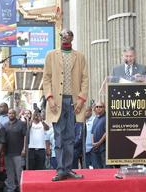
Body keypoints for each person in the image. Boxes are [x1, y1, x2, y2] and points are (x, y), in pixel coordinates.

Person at [43, 28, 88, 181]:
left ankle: (68, 168)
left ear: (72, 38)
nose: (64, 37)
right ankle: (61, 169)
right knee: (59, 136)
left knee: (70, 137)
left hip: (73, 101)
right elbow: (47, 78)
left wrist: (81, 99)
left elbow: (85, 79)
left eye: (67, 35)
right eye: (62, 35)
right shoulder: (51, 55)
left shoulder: (80, 56)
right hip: (57, 102)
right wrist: (50, 98)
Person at [4, 109, 26, 192]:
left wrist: (24, 149)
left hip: (18, 153)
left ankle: (21, 189)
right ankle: (11, 188)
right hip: (7, 153)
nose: (11, 114)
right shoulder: (5, 125)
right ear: (8, 115)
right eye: (9, 113)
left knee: (19, 173)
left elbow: (25, 136)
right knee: (10, 173)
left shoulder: (21, 124)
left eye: (13, 113)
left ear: (15, 114)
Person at [91, 102, 107, 169]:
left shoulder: (107, 118)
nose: (98, 108)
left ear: (104, 108)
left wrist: (99, 143)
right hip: (95, 148)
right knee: (97, 168)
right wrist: (93, 143)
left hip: (103, 148)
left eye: (100, 107)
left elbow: (107, 132)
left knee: (105, 168)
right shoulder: (95, 119)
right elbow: (92, 133)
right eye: (97, 107)